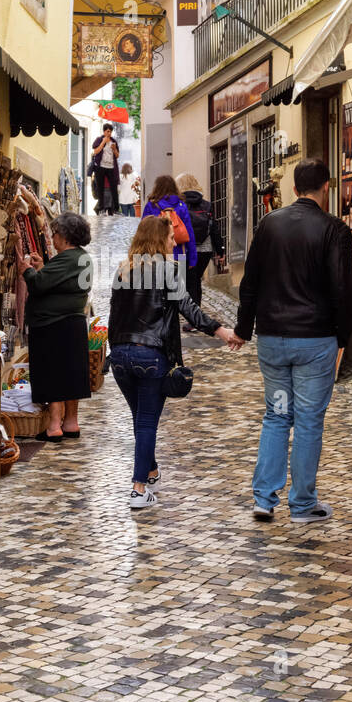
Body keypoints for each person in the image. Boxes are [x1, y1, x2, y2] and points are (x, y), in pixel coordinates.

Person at [236, 159, 352, 524]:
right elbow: (342, 290)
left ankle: (264, 499)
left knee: (277, 414)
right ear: (327, 187)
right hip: (315, 342)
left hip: (273, 340)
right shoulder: (334, 229)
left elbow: (250, 282)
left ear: (293, 188)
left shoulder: (269, 225)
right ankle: (302, 505)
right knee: (307, 420)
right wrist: (343, 337)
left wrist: (244, 328)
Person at [108, 216, 243, 509]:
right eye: (170, 238)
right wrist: (222, 332)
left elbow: (113, 317)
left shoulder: (123, 270)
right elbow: (190, 310)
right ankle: (138, 489)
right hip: (149, 355)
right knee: (146, 423)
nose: (174, 242)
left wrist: (115, 352)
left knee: (141, 419)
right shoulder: (167, 271)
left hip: (120, 357)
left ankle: (151, 471)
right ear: (159, 240)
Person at [23, 212, 93, 441]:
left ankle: (54, 425)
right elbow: (60, 283)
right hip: (72, 324)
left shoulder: (68, 258)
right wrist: (44, 266)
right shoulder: (81, 258)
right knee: (72, 374)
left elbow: (38, 284)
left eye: (55, 234)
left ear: (64, 235)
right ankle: (71, 422)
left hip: (53, 325)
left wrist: (27, 270)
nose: (53, 238)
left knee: (54, 373)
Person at [176, 174, 225, 320]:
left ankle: (189, 315)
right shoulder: (207, 205)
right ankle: (194, 315)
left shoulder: (179, 204)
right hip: (205, 249)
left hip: (185, 249)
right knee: (196, 281)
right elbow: (214, 228)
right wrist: (220, 250)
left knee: (185, 281)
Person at [140, 175, 197, 270]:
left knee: (156, 281)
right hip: (179, 254)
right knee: (179, 283)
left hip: (155, 253)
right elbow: (189, 233)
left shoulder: (151, 206)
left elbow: (143, 231)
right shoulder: (181, 205)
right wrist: (192, 259)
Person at [89, 124, 121, 215]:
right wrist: (103, 142)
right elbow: (95, 152)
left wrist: (114, 149)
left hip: (111, 167)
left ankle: (116, 210)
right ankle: (101, 209)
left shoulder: (113, 141)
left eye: (110, 131)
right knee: (100, 188)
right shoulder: (99, 139)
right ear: (104, 131)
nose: (109, 133)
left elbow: (117, 156)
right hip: (101, 167)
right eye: (107, 131)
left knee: (114, 188)